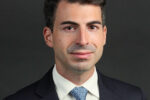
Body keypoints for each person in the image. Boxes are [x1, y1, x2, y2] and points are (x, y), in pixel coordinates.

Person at [4, 0, 146, 100]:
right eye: (70, 28)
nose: (83, 40)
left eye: (92, 27)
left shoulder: (134, 97)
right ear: (49, 37)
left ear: (104, 35)